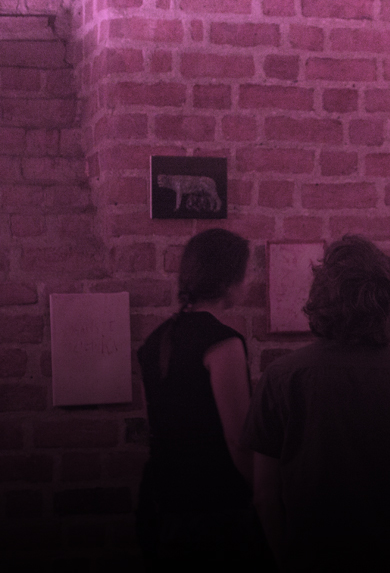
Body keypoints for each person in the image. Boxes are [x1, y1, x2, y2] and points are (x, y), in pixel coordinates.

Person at [243, 235, 390, 572]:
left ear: (320, 299)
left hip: (310, 556)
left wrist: (286, 556)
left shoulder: (281, 377)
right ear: (388, 303)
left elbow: (264, 495)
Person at [136, 228, 272, 570]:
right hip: (214, 508)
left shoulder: (156, 340)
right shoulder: (223, 343)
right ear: (228, 281)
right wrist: (265, 498)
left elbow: (156, 425)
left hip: (163, 500)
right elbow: (239, 439)